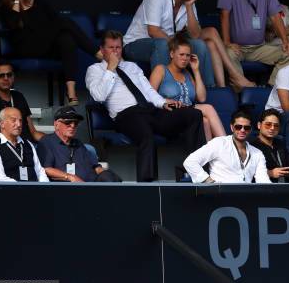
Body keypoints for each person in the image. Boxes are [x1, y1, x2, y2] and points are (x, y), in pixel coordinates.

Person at [85, 30, 206, 181]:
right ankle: (147, 185)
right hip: (126, 115)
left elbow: (148, 90)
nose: (116, 51)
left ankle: (196, 171)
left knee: (194, 114)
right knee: (146, 135)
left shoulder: (132, 67)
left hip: (149, 110)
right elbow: (98, 96)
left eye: (118, 47)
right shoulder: (95, 70)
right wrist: (110, 69)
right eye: (111, 48)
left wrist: (163, 103)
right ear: (102, 50)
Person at [0, 0, 101, 105]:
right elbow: (14, 25)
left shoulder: (38, 1)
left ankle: (70, 90)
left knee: (66, 39)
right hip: (24, 48)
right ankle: (98, 53)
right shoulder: (5, 7)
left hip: (44, 45)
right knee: (66, 22)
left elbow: (54, 20)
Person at [122, 0, 218, 87]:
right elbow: (153, 31)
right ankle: (166, 93)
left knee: (199, 45)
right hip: (135, 45)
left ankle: (209, 91)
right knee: (162, 44)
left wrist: (189, 6)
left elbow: (195, 35)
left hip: (168, 44)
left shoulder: (189, 1)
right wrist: (178, 48)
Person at [217, 0, 289, 86]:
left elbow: (275, 16)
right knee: (228, 54)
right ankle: (242, 94)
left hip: (259, 47)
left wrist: (285, 40)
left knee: (288, 54)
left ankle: (270, 89)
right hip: (237, 47)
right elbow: (224, 14)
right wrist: (227, 42)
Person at [149, 35, 226, 141]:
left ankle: (209, 156)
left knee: (205, 121)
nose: (185, 58)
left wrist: (196, 70)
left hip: (189, 113)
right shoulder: (161, 70)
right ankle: (227, 146)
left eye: (188, 55)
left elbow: (202, 98)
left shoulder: (188, 74)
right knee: (208, 108)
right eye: (181, 54)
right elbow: (149, 96)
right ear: (172, 54)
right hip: (169, 113)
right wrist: (166, 100)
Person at [183, 110, 271, 183]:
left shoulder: (257, 153)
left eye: (246, 128)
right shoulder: (219, 143)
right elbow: (190, 162)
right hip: (220, 196)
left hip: (245, 197)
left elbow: (263, 181)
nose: (242, 130)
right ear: (232, 127)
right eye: (238, 127)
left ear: (251, 130)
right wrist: (208, 181)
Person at [37, 106, 121, 182]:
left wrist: (108, 175)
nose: (72, 126)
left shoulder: (78, 143)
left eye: (75, 123)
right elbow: (46, 169)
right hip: (69, 188)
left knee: (110, 178)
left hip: (92, 185)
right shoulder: (47, 142)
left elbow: (96, 167)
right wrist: (70, 177)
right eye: (68, 123)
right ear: (56, 124)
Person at [0, 60, 44, 142]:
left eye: (9, 75)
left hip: (27, 145)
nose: (6, 78)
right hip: (2, 147)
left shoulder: (18, 96)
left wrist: (52, 140)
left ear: (13, 77)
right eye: (1, 75)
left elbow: (33, 132)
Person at [0, 107, 48, 181]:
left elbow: (40, 172)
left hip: (34, 190)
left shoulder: (28, 144)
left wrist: (44, 188)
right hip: (10, 191)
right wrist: (23, 189)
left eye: (20, 121)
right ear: (2, 124)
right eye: (13, 120)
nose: (18, 124)